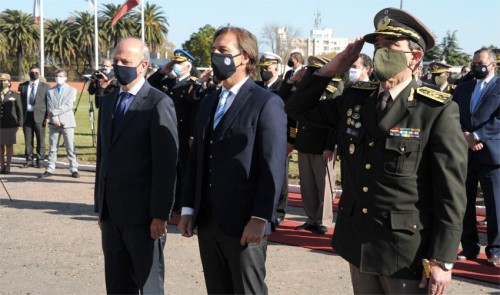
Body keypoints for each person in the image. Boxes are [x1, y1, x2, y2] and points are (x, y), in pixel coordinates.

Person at [285, 7, 467, 294]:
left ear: (415, 57)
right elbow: (298, 109)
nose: (382, 52)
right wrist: (334, 66)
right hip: (358, 242)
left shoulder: (435, 110)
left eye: (391, 46)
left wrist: (443, 259)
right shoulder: (355, 99)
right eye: (378, 46)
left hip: (405, 251)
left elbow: (451, 191)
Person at [178, 26, 287, 294]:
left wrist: (260, 217)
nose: (216, 55)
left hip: (244, 222)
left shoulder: (265, 102)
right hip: (209, 219)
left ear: (245, 57)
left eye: (223, 51)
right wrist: (189, 209)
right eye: (214, 50)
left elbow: (273, 165)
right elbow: (198, 159)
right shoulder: (209, 101)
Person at [94, 37, 178, 294]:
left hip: (143, 216)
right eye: (116, 60)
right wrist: (101, 206)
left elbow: (166, 165)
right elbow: (103, 158)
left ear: (143, 66)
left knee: (148, 283)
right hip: (111, 214)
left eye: (125, 61)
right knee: (117, 283)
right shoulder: (108, 101)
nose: (118, 65)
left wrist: (160, 214)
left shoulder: (158, 102)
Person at [453, 48, 500, 267]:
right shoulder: (463, 88)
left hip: (491, 154)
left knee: (495, 205)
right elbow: (452, 114)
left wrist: (477, 135)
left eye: (480, 63)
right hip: (464, 151)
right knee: (464, 202)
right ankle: (469, 247)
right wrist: (465, 135)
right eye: (473, 63)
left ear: (493, 65)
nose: (476, 67)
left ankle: (495, 250)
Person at [292, 55, 341, 235]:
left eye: (316, 69)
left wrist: (330, 145)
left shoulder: (332, 90)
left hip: (322, 146)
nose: (311, 72)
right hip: (305, 143)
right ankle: (311, 218)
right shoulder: (305, 90)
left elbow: (335, 123)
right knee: (308, 185)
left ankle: (323, 220)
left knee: (324, 185)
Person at [148, 48, 201, 212]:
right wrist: (163, 70)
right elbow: (149, 85)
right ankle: (169, 200)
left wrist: (193, 134)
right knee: (166, 168)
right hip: (165, 132)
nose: (176, 66)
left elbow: (195, 113)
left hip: (183, 133)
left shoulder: (193, 84)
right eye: (175, 63)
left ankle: (181, 203)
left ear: (188, 66)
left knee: (183, 169)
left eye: (180, 63)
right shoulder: (167, 82)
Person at [257, 52, 290, 226]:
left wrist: (291, 140)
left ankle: (279, 211)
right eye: (262, 69)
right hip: (260, 138)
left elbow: (292, 116)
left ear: (276, 69)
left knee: (280, 176)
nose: (264, 72)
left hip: (280, 139)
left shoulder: (283, 87)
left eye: (267, 69)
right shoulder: (257, 86)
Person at [38, 69, 79, 179]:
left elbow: (69, 105)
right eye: (57, 76)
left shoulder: (72, 90)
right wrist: (55, 119)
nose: (58, 78)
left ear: (65, 78)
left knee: (70, 147)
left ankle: (74, 168)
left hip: (67, 122)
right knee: (52, 147)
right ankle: (50, 168)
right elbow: (50, 106)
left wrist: (54, 113)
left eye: (61, 76)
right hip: (54, 123)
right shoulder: (51, 91)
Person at [18, 65, 49, 168]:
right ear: (29, 73)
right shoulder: (22, 86)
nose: (34, 74)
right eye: (32, 72)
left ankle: (40, 160)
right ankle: (29, 160)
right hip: (27, 116)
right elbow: (19, 102)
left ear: (39, 73)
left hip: (40, 117)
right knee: (28, 140)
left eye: (36, 72)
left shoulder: (45, 86)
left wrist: (47, 117)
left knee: (41, 140)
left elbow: (48, 103)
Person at [0, 73, 23, 174]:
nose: (2, 82)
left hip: (10, 125)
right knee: (0, 146)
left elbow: (20, 111)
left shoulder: (15, 95)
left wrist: (19, 124)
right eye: (1, 81)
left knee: (9, 145)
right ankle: (2, 166)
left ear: (9, 83)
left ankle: (8, 166)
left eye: (5, 80)